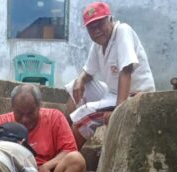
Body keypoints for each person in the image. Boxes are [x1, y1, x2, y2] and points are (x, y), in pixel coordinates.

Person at [66, 2, 156, 149]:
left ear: (110, 19)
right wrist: (80, 80)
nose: (96, 31)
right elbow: (88, 72)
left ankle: (67, 155)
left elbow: (126, 70)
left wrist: (119, 111)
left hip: (134, 95)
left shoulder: (122, 31)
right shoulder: (98, 44)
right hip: (111, 93)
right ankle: (71, 136)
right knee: (74, 88)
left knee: (84, 116)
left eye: (100, 24)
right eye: (91, 28)